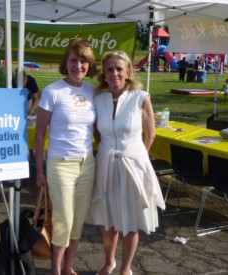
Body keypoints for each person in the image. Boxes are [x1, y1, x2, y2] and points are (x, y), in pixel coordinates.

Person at [86, 51, 166, 275]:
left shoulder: (140, 97)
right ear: (104, 73)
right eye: (110, 69)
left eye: (119, 69)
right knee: (108, 219)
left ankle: (125, 268)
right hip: (106, 163)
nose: (115, 73)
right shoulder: (98, 99)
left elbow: (150, 135)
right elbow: (97, 133)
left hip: (134, 165)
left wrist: (135, 155)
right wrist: (109, 151)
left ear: (128, 71)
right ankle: (109, 262)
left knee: (131, 220)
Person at [34, 38, 98, 275]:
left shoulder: (93, 91)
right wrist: (39, 170)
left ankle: (69, 267)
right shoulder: (53, 91)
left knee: (78, 220)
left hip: (87, 163)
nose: (78, 66)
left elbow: (98, 128)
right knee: (63, 219)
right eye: (74, 60)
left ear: (89, 65)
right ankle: (56, 270)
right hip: (60, 163)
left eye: (83, 61)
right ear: (66, 62)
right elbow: (39, 134)